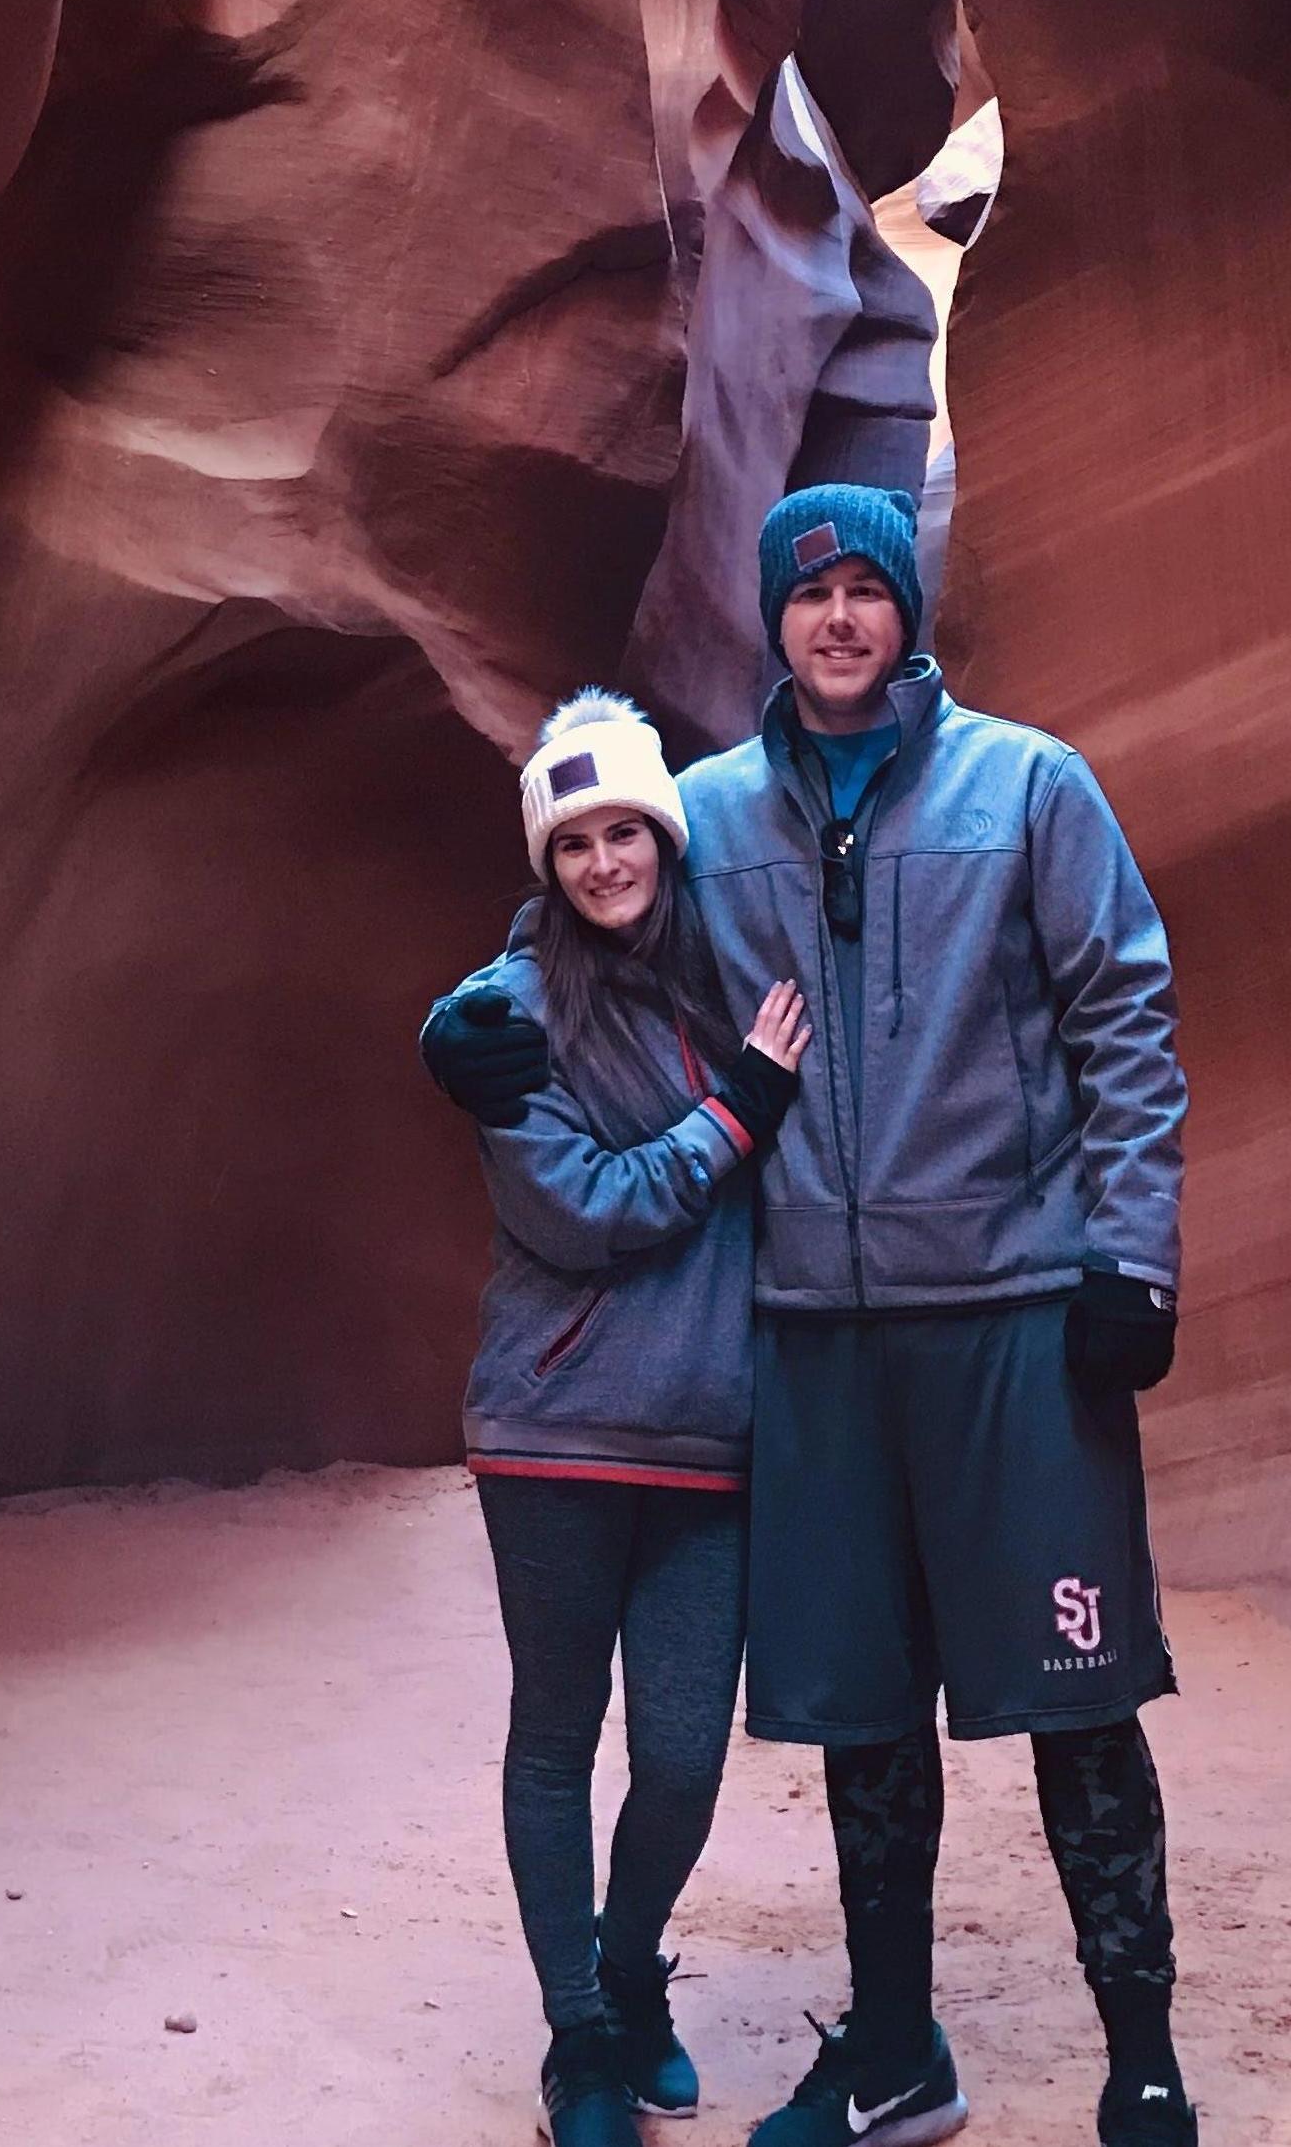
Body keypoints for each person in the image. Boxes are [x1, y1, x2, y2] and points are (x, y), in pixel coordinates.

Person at [424, 488, 1197, 2147]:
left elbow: (1123, 1007)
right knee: (861, 1709)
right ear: (772, 620)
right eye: (809, 593)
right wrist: (457, 1020)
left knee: (1077, 1689)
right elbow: (586, 904)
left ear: (905, 611)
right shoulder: (707, 812)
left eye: (866, 589)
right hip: (814, 1341)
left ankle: (1141, 2055)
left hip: (1009, 1314)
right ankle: (899, 2047)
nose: (838, 617)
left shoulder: (1027, 785)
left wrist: (1130, 1256)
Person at [451, 688, 814, 2147]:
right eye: (574, 840)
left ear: (665, 834)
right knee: (555, 1736)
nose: (604, 861)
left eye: (625, 831)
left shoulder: (721, 969)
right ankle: (579, 2044)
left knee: (677, 1756)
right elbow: (588, 1207)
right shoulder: (500, 1014)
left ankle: (625, 1969)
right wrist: (737, 1112)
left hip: (707, 1439)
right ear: (545, 862)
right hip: (552, 1426)